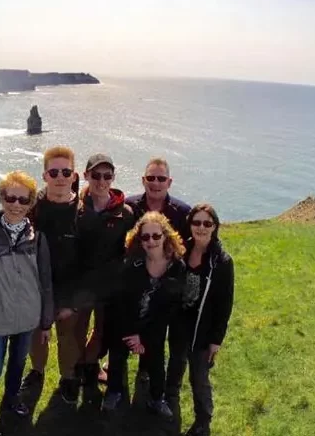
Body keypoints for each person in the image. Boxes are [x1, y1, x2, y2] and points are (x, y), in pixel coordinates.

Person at [0, 146, 83, 405]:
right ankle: (37, 372)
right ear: (45, 175)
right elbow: (7, 215)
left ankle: (67, 378)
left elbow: (88, 256)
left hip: (68, 288)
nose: (60, 177)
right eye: (54, 171)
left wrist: (75, 299)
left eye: (66, 171)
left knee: (67, 337)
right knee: (36, 337)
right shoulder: (34, 205)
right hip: (32, 286)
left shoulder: (83, 210)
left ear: (74, 175)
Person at [0, 171, 54, 419]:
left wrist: (46, 322)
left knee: (17, 365)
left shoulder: (37, 238)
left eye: (23, 200)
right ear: (1, 198)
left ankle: (12, 399)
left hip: (27, 318)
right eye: (11, 198)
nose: (16, 205)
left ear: (31, 203)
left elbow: (45, 282)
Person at [102, 212, 185, 419]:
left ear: (166, 236)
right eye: (145, 237)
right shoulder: (131, 264)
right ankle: (113, 392)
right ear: (139, 240)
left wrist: (144, 337)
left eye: (156, 236)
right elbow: (121, 303)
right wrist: (132, 334)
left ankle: (157, 399)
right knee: (117, 357)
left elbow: (169, 309)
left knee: (156, 363)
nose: (151, 241)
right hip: (125, 323)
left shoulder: (177, 267)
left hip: (154, 326)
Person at [165, 204, 235, 436]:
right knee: (174, 367)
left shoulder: (222, 262)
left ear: (215, 227)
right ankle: (170, 409)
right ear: (190, 224)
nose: (201, 228)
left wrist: (217, 340)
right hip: (179, 325)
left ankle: (203, 421)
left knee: (199, 377)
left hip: (203, 331)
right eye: (196, 222)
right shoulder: (181, 250)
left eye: (207, 223)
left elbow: (225, 304)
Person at [75, 154, 135, 402]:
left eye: (107, 176)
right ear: (86, 175)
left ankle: (89, 371)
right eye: (96, 175)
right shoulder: (75, 208)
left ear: (113, 178)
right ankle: (76, 371)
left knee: (100, 332)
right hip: (79, 285)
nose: (101, 181)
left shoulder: (126, 213)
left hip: (109, 285)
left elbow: (130, 248)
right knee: (76, 332)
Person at [125, 157, 191, 383]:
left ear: (169, 182)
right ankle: (115, 377)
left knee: (159, 331)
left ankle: (157, 380)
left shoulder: (182, 212)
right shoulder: (129, 206)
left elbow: (189, 246)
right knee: (127, 324)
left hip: (167, 283)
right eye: (151, 178)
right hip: (135, 280)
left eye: (161, 178)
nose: (156, 183)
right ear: (143, 180)